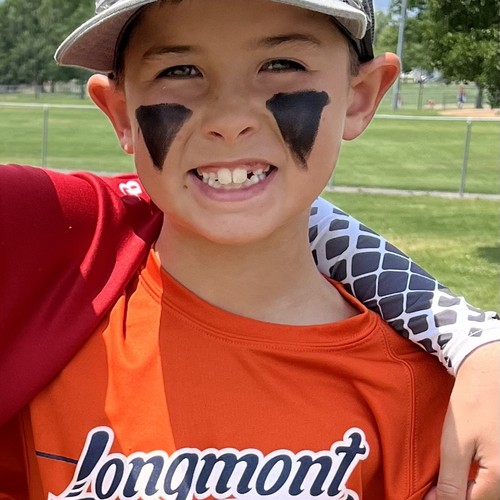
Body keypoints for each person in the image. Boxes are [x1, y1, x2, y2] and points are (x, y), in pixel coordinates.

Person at [0, 0, 498, 498]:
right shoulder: (55, 299)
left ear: (360, 96)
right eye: (179, 70)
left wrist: (469, 334)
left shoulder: (433, 406)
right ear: (119, 112)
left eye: (281, 64)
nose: (230, 119)